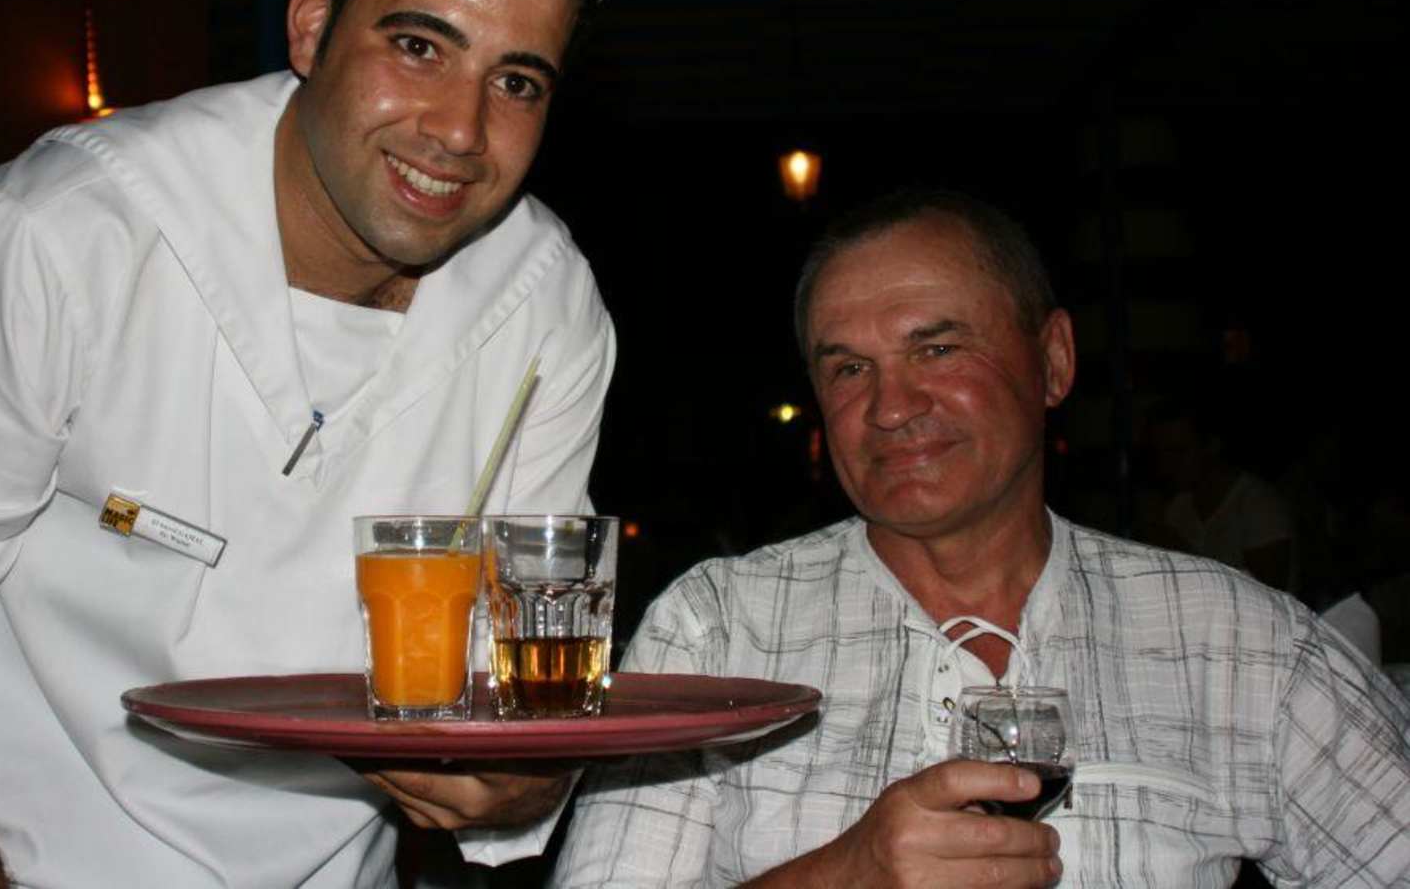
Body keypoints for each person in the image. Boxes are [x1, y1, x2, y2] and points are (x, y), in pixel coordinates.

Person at [0, 0, 634, 885]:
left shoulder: (546, 305)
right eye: (418, 46)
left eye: (517, 82)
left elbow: (514, 679)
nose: (459, 130)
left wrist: (529, 778)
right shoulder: (62, 237)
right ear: (311, 24)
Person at [555, 189, 1410, 888]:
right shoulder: (716, 628)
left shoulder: (1240, 643)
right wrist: (844, 876)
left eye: (937, 349)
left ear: (1054, 361)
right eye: (849, 368)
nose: (890, 408)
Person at [1146, 393, 1297, 591]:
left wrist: (1181, 550)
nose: (1167, 464)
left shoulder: (1259, 505)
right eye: (1160, 453)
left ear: (1212, 446)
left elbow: (1268, 594)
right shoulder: (1177, 507)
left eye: (1178, 451)